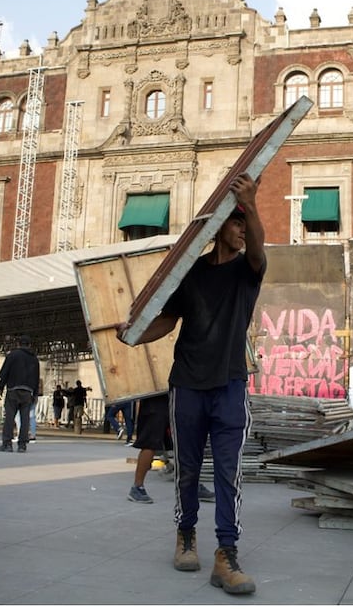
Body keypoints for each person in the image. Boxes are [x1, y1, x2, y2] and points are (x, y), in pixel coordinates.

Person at [117, 173, 265, 596]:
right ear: (220, 228)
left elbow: (257, 248)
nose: (241, 230)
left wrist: (250, 206)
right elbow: (167, 321)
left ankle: (227, 554)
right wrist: (131, 333)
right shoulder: (192, 274)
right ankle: (185, 536)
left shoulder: (247, 272)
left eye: (243, 224)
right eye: (235, 224)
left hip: (230, 385)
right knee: (186, 469)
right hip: (187, 384)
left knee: (228, 474)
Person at [127, 393, 215, 505]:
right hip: (155, 400)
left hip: (175, 398)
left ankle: (192, 486)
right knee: (150, 444)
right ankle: (137, 487)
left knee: (185, 444)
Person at [0, 335, 40, 453]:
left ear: (18, 344)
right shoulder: (34, 359)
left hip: (13, 390)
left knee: (9, 418)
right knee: (25, 419)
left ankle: (7, 444)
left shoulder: (12, 355)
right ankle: (22, 445)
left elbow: (5, 373)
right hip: (28, 392)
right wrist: (35, 394)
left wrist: (0, 387)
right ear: (29, 345)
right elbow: (36, 378)